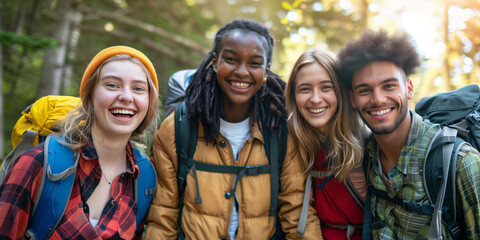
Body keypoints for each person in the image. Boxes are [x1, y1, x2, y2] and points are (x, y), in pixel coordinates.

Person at [145, 19, 322, 239]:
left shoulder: (282, 131)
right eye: (230, 59)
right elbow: (163, 217)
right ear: (215, 61)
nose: (241, 71)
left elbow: (297, 216)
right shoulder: (177, 128)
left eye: (254, 63)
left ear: (266, 70)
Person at [0, 46, 159, 239]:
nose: (126, 96)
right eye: (112, 85)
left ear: (149, 102)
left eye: (138, 88)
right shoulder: (37, 163)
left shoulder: (144, 178)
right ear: (90, 96)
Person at [337, 29, 480, 239]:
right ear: (352, 99)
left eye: (389, 86)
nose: (377, 99)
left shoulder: (460, 163)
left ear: (409, 89)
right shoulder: (364, 157)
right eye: (364, 90)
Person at [285, 48, 366, 239]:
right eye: (305, 89)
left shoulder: (368, 139)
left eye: (326, 87)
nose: (315, 99)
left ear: (341, 91)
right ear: (293, 95)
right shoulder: (290, 142)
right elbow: (293, 210)